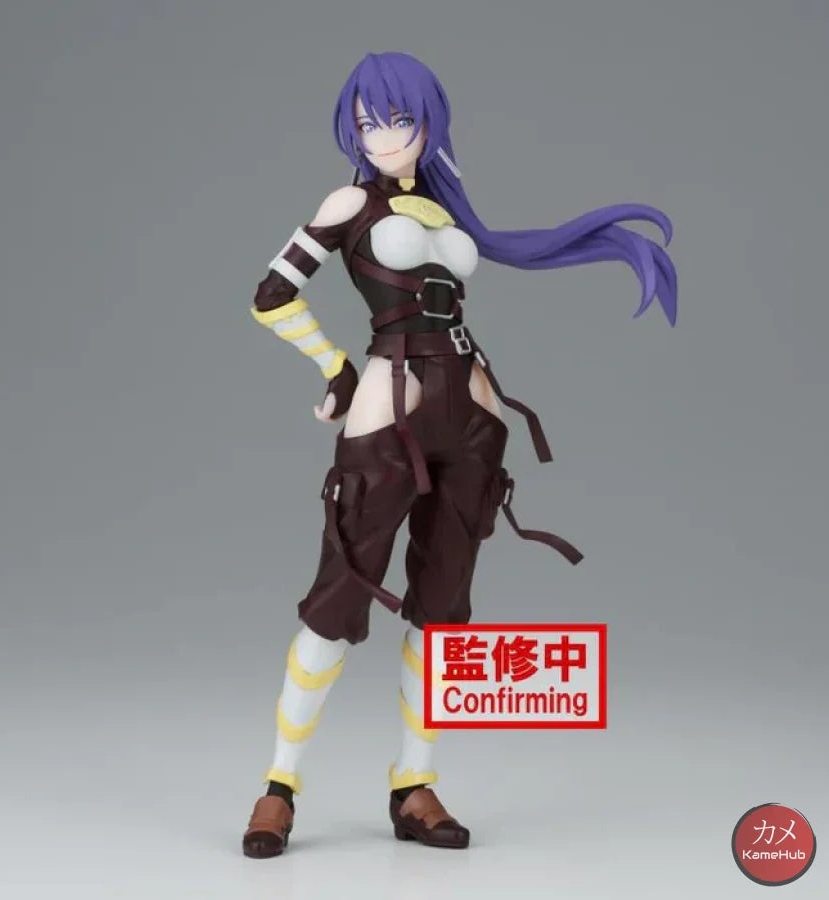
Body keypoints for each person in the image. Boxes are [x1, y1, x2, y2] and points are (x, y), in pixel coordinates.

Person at [242, 51, 677, 858]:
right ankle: (279, 787)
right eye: (367, 124)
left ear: (429, 123)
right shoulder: (350, 202)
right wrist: (336, 369)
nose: (381, 138)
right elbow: (272, 295)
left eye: (398, 121)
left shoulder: (445, 207)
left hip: (472, 417)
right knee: (337, 599)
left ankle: (415, 784)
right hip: (390, 410)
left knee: (444, 611)